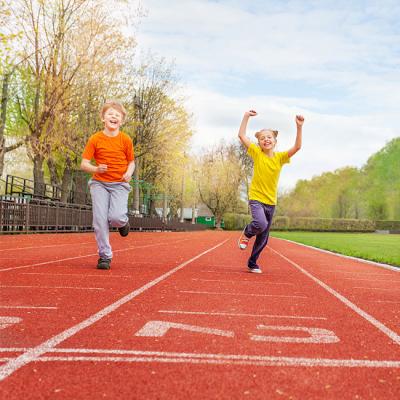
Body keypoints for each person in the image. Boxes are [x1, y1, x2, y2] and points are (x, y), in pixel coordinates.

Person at [237, 110, 304, 273]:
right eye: (262, 138)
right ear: (259, 143)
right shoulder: (256, 153)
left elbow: (297, 147)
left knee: (264, 237)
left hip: (271, 202)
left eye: (269, 137)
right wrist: (246, 116)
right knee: (260, 223)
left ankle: (252, 262)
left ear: (274, 141)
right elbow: (241, 135)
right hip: (256, 198)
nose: (265, 139)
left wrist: (299, 127)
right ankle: (247, 232)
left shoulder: (280, 157)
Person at [81, 100, 135, 270]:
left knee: (116, 217)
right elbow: (84, 164)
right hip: (99, 183)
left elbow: (131, 162)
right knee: (99, 220)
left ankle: (123, 223)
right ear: (103, 118)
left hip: (119, 184)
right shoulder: (95, 139)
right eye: (110, 114)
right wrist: (96, 168)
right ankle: (105, 255)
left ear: (122, 121)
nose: (114, 117)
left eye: (117, 115)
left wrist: (129, 173)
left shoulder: (125, 139)